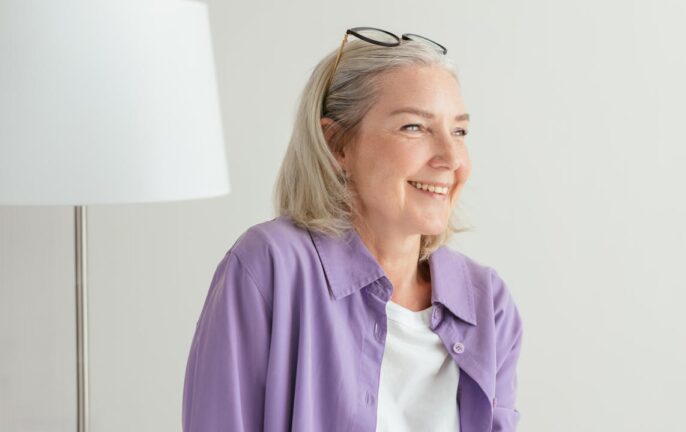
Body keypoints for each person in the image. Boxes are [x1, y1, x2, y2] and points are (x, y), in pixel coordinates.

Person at [182, 27, 523, 432]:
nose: (450, 158)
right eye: (414, 127)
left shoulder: (487, 302)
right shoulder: (270, 266)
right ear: (337, 144)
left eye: (459, 131)